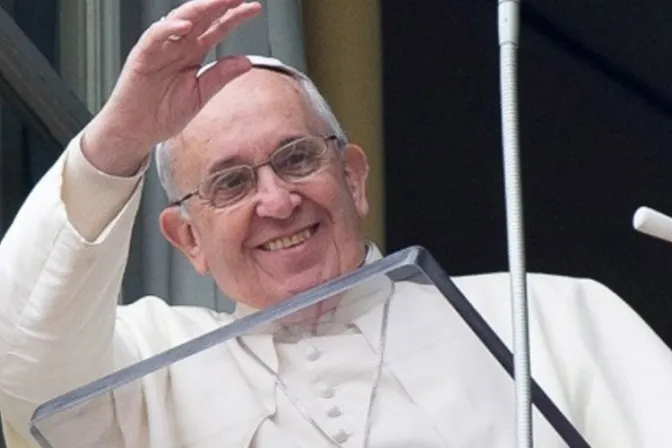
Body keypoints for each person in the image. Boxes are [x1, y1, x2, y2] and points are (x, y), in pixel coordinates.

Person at [1, 0, 671, 447]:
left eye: (296, 158)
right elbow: (20, 358)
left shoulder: (550, 314)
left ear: (352, 177)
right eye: (231, 182)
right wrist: (118, 140)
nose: (277, 200)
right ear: (187, 239)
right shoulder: (147, 363)